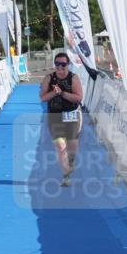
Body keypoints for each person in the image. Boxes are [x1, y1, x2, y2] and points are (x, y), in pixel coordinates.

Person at [39, 52, 85, 187]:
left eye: (63, 64)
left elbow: (78, 98)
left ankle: (71, 162)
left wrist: (63, 93)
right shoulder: (49, 78)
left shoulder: (73, 78)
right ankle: (66, 176)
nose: (60, 67)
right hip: (55, 116)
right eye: (57, 64)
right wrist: (54, 92)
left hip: (72, 114)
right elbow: (42, 97)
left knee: (72, 146)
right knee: (60, 146)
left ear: (68, 65)